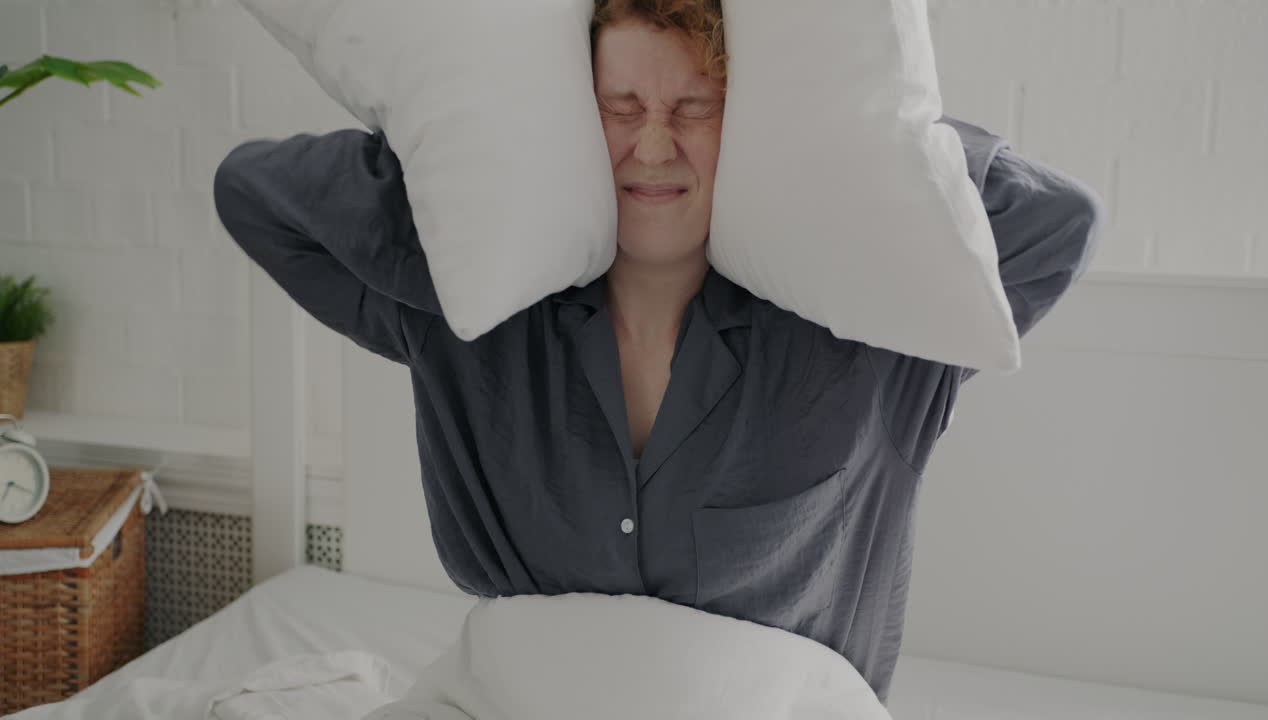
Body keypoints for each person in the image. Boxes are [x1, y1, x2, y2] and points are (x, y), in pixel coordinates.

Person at [212, 0, 1102, 705]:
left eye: (694, 110)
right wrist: (461, 182)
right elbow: (255, 196)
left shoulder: (872, 329)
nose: (651, 145)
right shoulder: (472, 312)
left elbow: (1059, 225)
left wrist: (858, 148)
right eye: (619, 108)